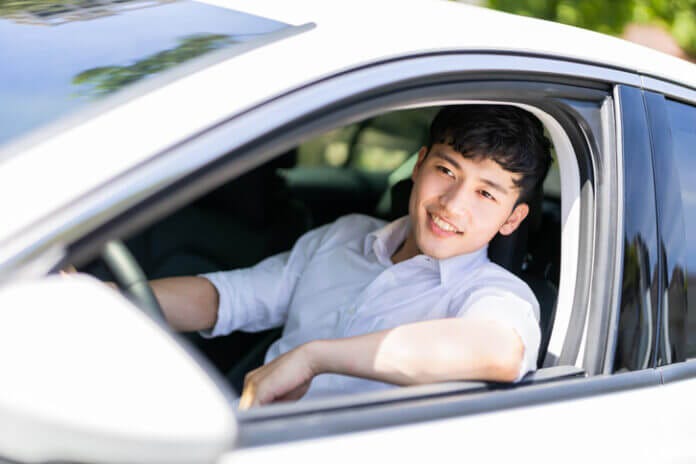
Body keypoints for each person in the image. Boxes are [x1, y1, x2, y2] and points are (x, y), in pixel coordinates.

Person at [150, 105, 552, 409]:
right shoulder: (346, 235)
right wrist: (110, 296)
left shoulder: (496, 293)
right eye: (446, 171)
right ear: (418, 165)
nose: (452, 204)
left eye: (485, 193)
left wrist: (315, 358)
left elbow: (499, 350)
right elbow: (227, 297)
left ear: (512, 218)